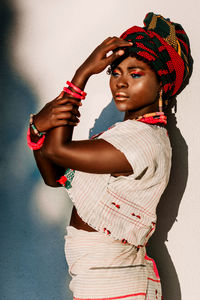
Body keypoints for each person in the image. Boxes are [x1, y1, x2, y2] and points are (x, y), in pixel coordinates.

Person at [27, 12, 193, 300]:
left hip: (117, 283)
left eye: (136, 73)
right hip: (98, 281)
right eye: (115, 73)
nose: (121, 82)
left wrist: (82, 75)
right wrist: (36, 129)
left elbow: (56, 151)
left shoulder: (144, 142)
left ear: (162, 83)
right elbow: (54, 175)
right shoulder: (121, 136)